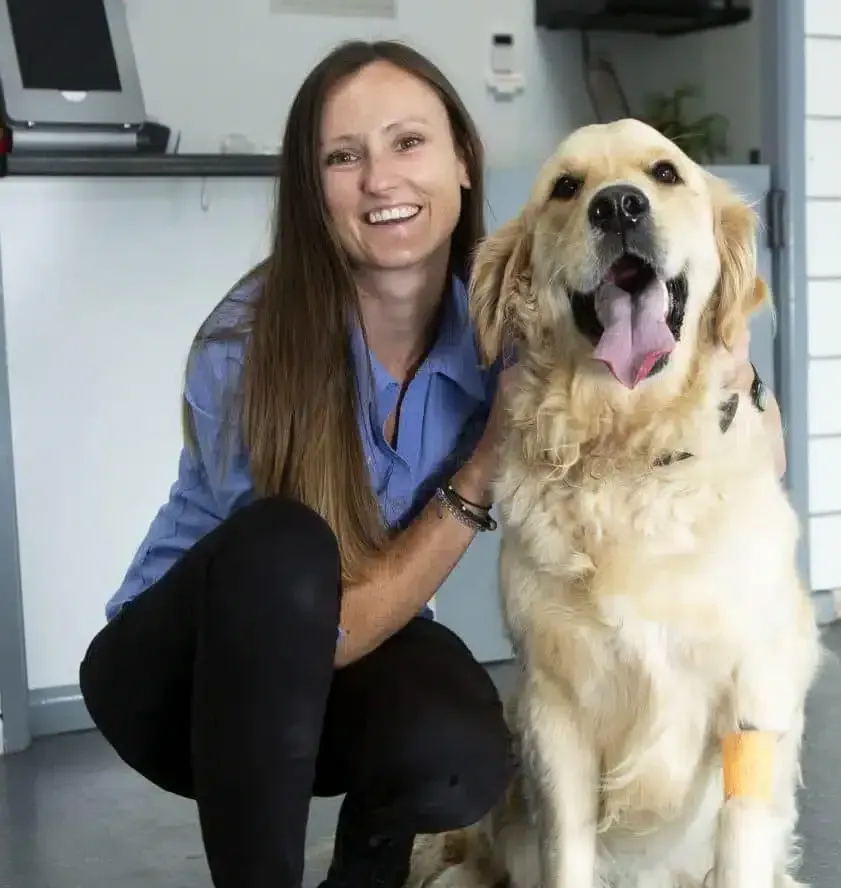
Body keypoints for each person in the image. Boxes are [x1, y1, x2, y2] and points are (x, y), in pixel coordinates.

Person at [77, 39, 787, 888]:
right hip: (185, 681)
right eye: (344, 157)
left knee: (461, 747)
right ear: (315, 191)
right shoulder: (248, 344)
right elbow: (299, 632)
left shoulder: (508, 324)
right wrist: (480, 470)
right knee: (285, 545)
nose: (381, 180)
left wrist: (731, 364)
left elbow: (764, 463)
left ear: (461, 163)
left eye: (408, 143)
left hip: (341, 657)